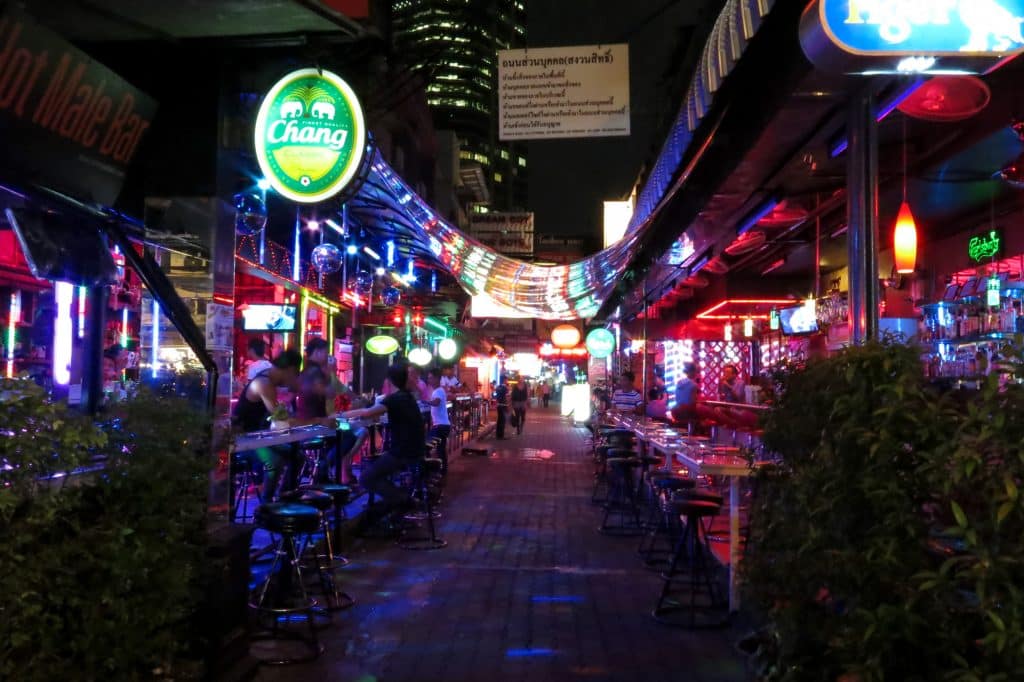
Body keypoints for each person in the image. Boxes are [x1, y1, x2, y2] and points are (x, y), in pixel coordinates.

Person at [341, 362, 425, 521]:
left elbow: (367, 413)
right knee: (376, 474)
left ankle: (403, 500)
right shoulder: (407, 397)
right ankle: (394, 508)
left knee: (365, 478)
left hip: (403, 453)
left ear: (390, 381)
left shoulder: (396, 398)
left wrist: (339, 416)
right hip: (414, 451)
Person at [232, 350, 304, 502]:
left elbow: (281, 416)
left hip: (258, 438)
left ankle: (285, 496)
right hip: (241, 440)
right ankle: (266, 506)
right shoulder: (263, 383)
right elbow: (283, 421)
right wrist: (317, 420)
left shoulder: (269, 378)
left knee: (297, 455)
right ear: (290, 370)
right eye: (295, 373)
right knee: (274, 461)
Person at [427, 368, 452, 474]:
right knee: (440, 449)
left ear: (437, 379)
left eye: (431, 378)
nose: (429, 380)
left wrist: (424, 402)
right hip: (443, 425)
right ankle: (442, 470)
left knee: (428, 445)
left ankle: (433, 470)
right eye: (428, 378)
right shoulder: (439, 390)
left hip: (441, 425)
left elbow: (436, 403)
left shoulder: (438, 391)